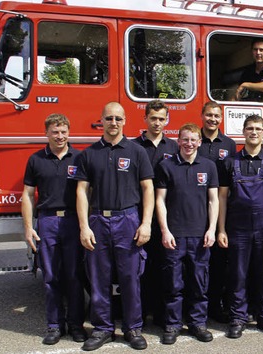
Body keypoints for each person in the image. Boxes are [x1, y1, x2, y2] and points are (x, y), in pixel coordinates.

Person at [75, 102, 154, 351]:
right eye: (109, 118)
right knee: (99, 279)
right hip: (98, 220)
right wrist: (84, 227)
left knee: (130, 278)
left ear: (125, 121)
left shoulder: (136, 151)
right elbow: (81, 192)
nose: (113, 123)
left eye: (118, 119)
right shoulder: (89, 154)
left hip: (128, 220)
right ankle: (103, 329)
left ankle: (133, 328)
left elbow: (148, 188)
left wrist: (146, 223)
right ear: (101, 120)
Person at [217, 115, 263, 338]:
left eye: (259, 129)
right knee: (238, 274)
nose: (254, 132)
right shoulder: (230, 162)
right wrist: (221, 229)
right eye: (250, 128)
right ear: (244, 132)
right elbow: (221, 198)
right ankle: (238, 317)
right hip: (237, 227)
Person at [22, 113, 86, 345]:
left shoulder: (80, 157)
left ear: (69, 132)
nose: (60, 136)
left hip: (72, 221)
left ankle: (76, 325)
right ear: (46, 133)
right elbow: (28, 195)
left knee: (74, 276)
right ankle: (54, 326)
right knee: (51, 277)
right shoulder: (36, 160)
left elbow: (86, 193)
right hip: (48, 221)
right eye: (55, 132)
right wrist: (29, 227)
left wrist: (85, 225)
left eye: (63, 132)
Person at [154, 123, 219, 344]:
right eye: (185, 139)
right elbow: (159, 201)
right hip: (175, 236)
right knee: (173, 284)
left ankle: (197, 323)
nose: (189, 144)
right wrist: (165, 230)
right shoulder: (166, 166)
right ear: (178, 141)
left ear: (199, 142)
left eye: (193, 140)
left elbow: (213, 200)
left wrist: (212, 229)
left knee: (199, 284)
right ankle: (172, 325)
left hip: (201, 236)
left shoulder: (209, 166)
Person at [133, 99, 178, 327]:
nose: (157, 123)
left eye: (161, 119)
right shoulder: (134, 147)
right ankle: (140, 315)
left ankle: (161, 315)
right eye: (153, 118)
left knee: (164, 268)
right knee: (140, 269)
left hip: (166, 218)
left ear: (167, 120)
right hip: (139, 217)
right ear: (145, 119)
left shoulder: (174, 148)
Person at [198, 101, 236, 323]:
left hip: (220, 210)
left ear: (221, 118)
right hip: (194, 210)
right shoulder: (193, 140)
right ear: (202, 116)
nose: (213, 119)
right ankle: (195, 307)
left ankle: (214, 306)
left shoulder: (229, 144)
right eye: (209, 115)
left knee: (218, 264)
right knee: (196, 263)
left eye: (216, 115)